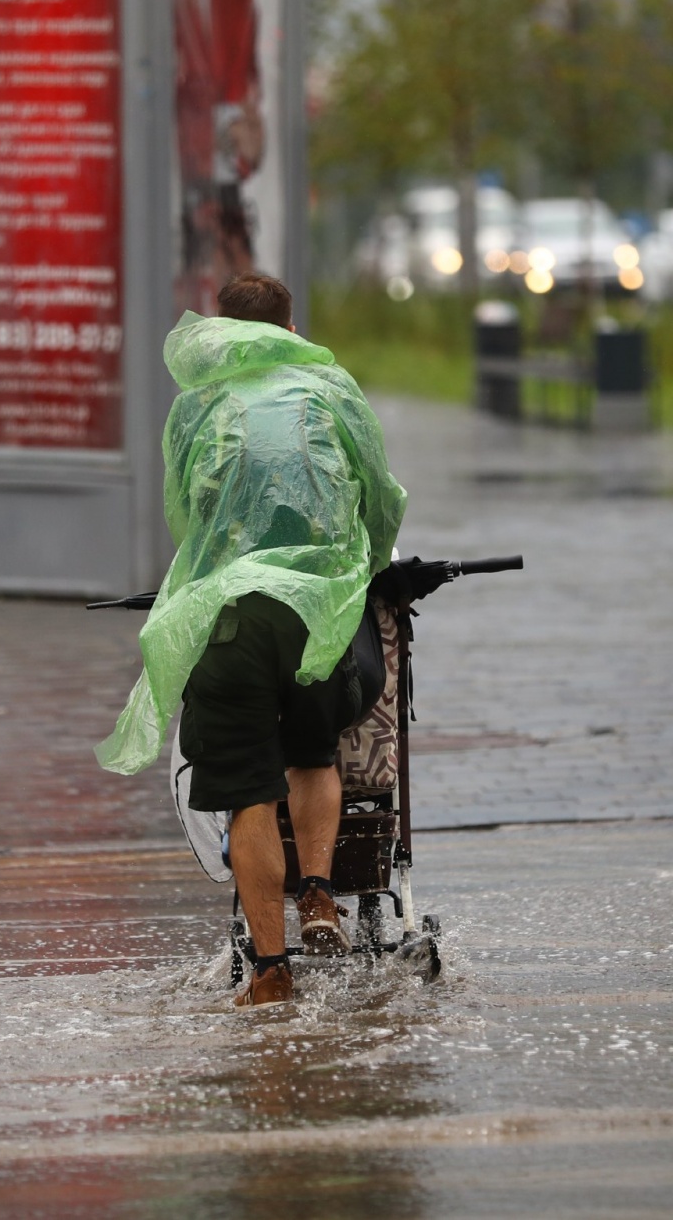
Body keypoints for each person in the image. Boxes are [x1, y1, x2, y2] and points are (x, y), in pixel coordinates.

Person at [96, 273, 406, 1010]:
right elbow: (381, 501)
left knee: (246, 798)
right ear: (290, 323)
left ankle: (270, 973)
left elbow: (185, 512)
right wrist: (364, 566)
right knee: (313, 751)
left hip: (231, 619)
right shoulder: (331, 391)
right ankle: (323, 896)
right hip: (320, 618)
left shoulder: (196, 406)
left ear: (219, 327)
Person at [173, 0, 266, 315]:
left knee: (226, 273)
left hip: (219, 170)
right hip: (179, 163)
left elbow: (249, 90)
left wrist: (242, 146)